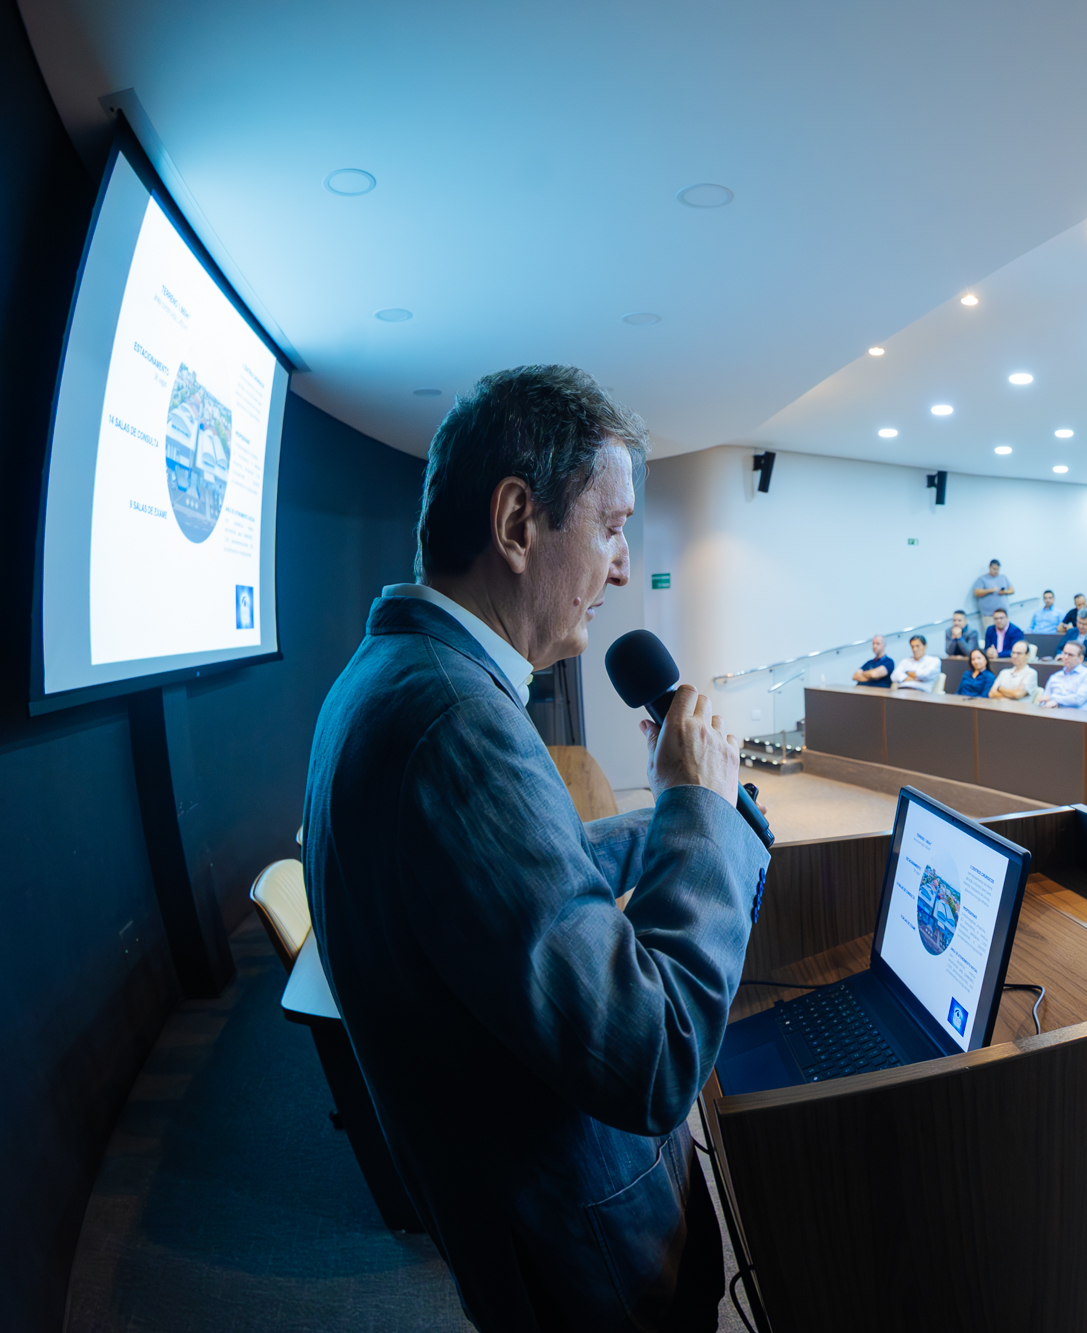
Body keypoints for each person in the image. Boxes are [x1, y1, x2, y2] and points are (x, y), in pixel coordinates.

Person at [305, 365, 759, 1329]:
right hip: (585, 1260)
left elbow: (514, 888)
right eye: (611, 526)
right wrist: (697, 814)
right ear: (517, 523)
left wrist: (672, 818)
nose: (623, 567)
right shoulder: (456, 725)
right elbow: (653, 1052)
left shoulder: (396, 675)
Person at [1039, 640, 1087, 709]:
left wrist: (1054, 699)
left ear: (1080, 658)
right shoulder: (1055, 676)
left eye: (1070, 655)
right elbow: (1044, 700)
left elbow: (1078, 700)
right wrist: (1047, 702)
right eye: (1064, 653)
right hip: (1052, 713)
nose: (1066, 657)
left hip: (1077, 714)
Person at [972, 559, 1013, 627]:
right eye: (994, 569)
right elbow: (977, 593)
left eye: (997, 569)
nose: (996, 571)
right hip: (989, 615)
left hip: (1003, 614)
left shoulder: (1003, 577)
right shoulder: (982, 579)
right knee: (991, 632)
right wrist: (990, 590)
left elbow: (1011, 590)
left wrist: (1004, 592)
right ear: (990, 567)